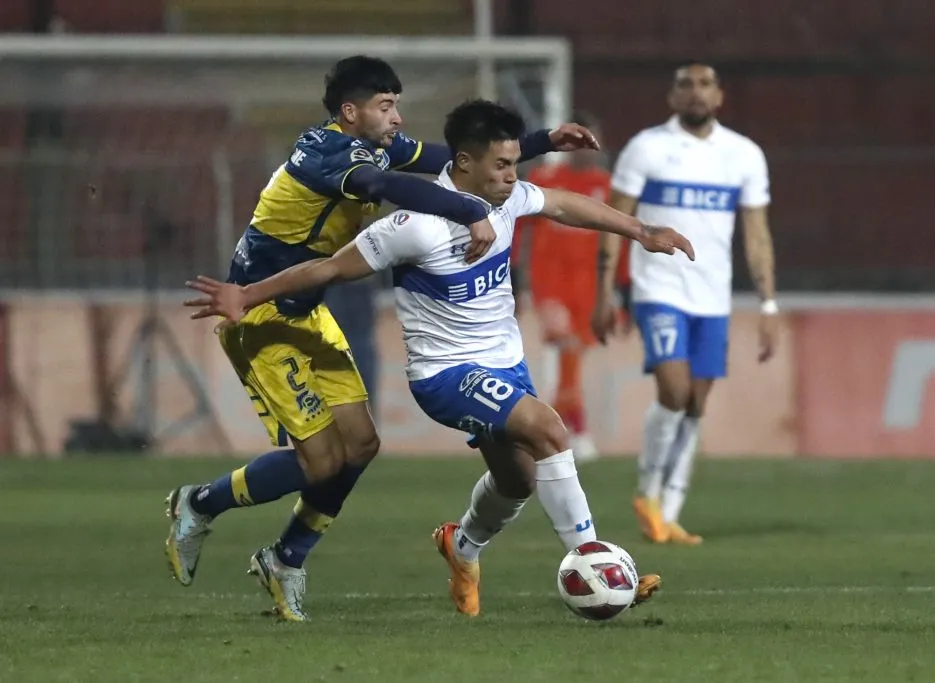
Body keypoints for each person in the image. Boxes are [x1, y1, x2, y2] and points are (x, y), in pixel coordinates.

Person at [183, 99, 696, 617]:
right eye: (501, 165)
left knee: (517, 479)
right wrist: (247, 295)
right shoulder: (414, 224)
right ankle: (593, 562)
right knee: (548, 430)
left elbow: (562, 204)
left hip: (503, 362)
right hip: (446, 374)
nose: (511, 177)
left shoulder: (507, 195)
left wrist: (641, 231)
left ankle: (463, 545)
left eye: (515, 164)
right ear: (464, 163)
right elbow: (330, 270)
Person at [591, 62, 778, 546]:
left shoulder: (743, 155)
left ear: (719, 96)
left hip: (712, 296)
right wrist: (605, 291)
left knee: (696, 402)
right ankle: (648, 493)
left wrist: (769, 306)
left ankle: (668, 511)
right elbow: (615, 219)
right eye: (684, 84)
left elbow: (756, 234)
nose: (695, 92)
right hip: (658, 290)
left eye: (705, 84)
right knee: (673, 390)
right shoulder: (647, 148)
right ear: (671, 98)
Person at [511, 112, 625, 460]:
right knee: (569, 349)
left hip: (589, 291)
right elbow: (517, 229)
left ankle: (556, 430)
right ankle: (577, 430)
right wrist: (514, 276)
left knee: (572, 359)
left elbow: (619, 242)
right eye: (580, 141)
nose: (586, 149)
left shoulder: (606, 186)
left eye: (592, 141)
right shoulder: (545, 180)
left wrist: (623, 288)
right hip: (550, 286)